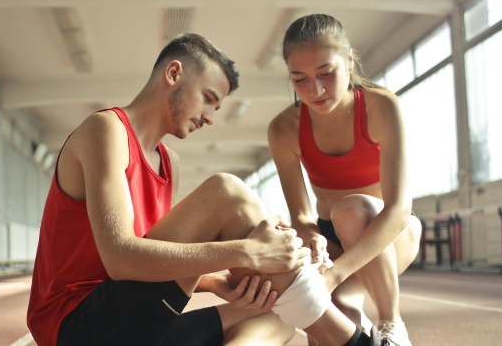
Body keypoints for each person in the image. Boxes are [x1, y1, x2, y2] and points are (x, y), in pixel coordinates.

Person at [27, 33, 312, 346]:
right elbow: (121, 260)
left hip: (128, 324)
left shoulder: (169, 163)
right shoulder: (106, 130)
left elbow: (157, 258)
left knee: (278, 318)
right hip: (77, 328)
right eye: (208, 98)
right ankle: (349, 338)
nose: (210, 118)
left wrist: (214, 284)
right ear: (174, 74)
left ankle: (316, 306)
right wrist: (248, 252)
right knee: (225, 191)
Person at [267, 14, 423, 346]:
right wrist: (314, 240)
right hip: (333, 240)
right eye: (300, 79)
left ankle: (391, 324)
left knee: (349, 211)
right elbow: (302, 216)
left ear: (349, 61)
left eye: (326, 73)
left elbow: (398, 209)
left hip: (393, 234)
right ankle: (355, 314)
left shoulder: (382, 107)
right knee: (328, 328)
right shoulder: (284, 129)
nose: (315, 90)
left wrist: (335, 275)